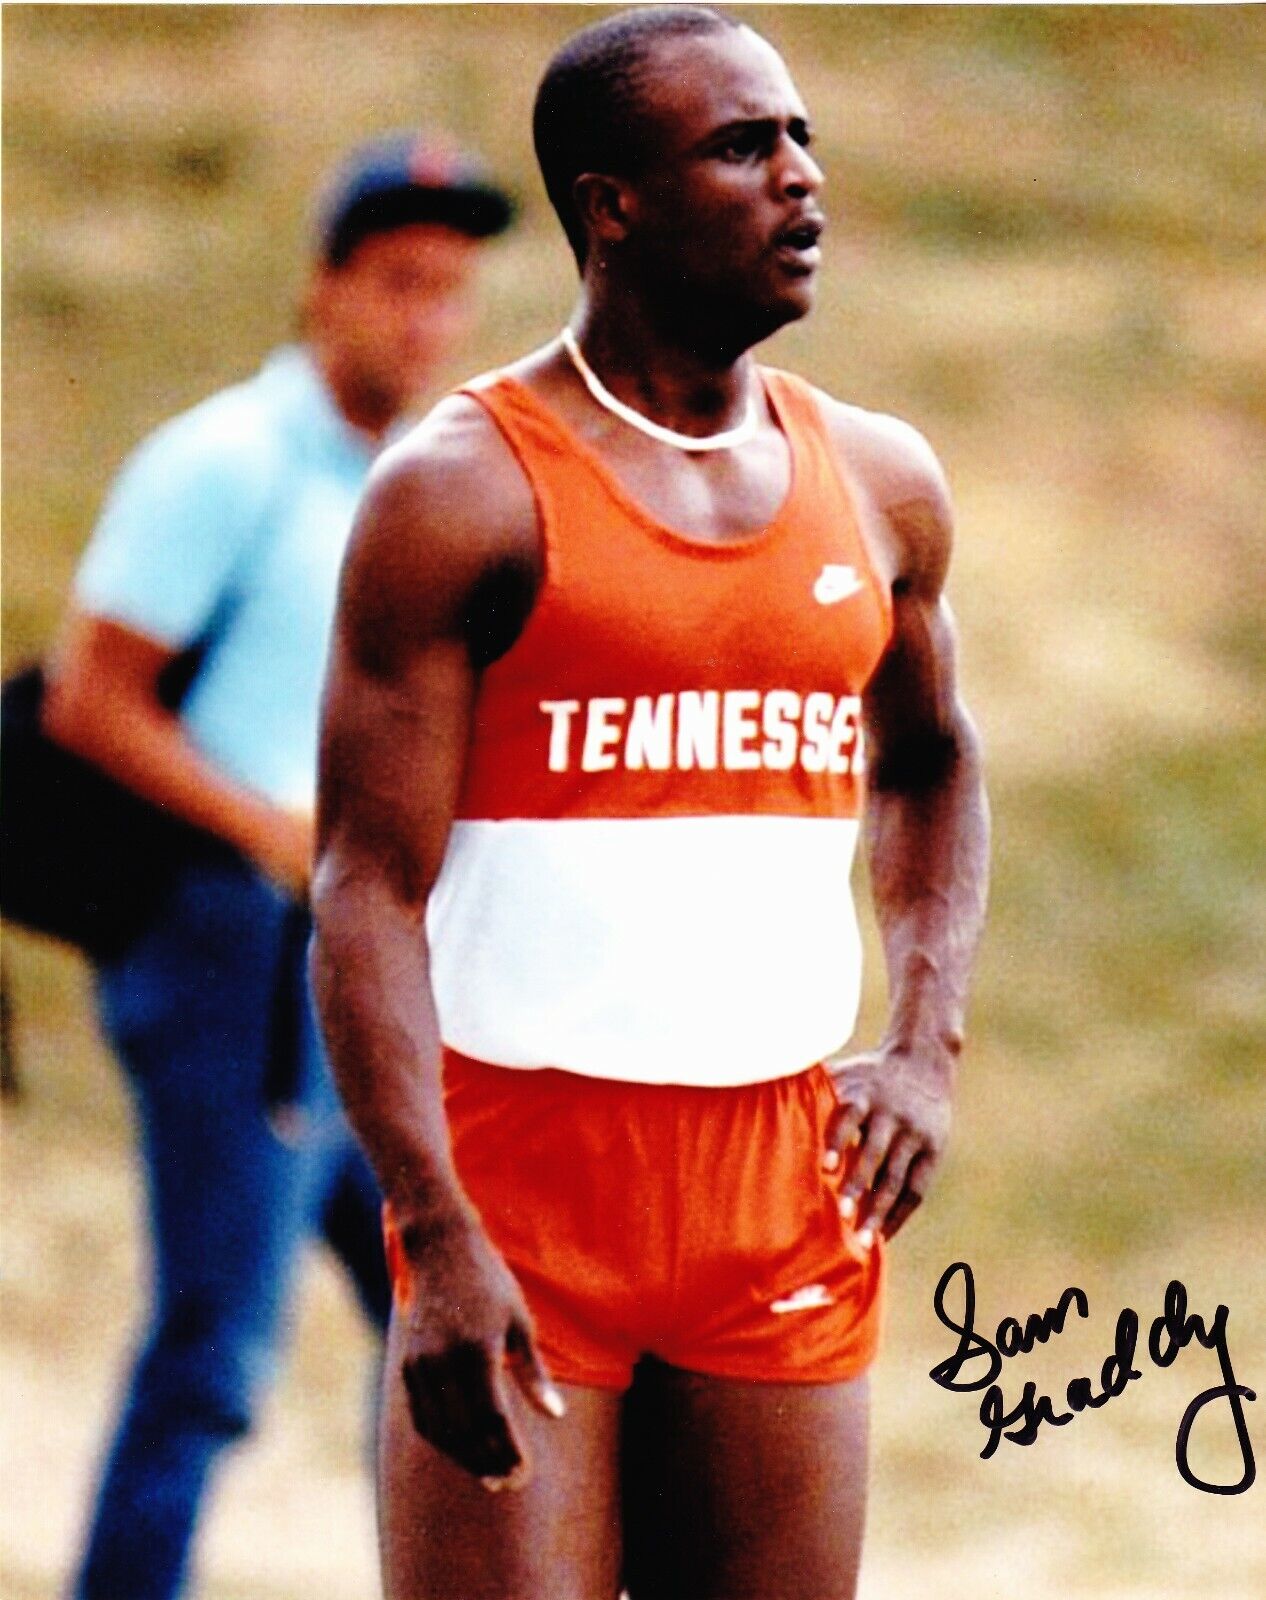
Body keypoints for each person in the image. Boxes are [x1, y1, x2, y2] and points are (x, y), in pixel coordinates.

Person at [312, 9, 989, 1598]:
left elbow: (934, 760)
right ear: (611, 202)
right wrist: (430, 1227)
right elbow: (361, 887)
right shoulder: (460, 490)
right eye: (743, 146)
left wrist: (923, 1039)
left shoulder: (878, 483)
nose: (800, 179)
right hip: (520, 1179)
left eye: (801, 137)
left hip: (778, 1174)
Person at [43, 132, 514, 1600]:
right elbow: (86, 694)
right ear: (325, 286)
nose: (423, 319)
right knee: (218, 1345)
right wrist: (275, 832)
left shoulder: (411, 482)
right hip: (219, 945)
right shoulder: (227, 462)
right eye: (396, 285)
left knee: (433, 1309)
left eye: (448, 291)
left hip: (336, 965)